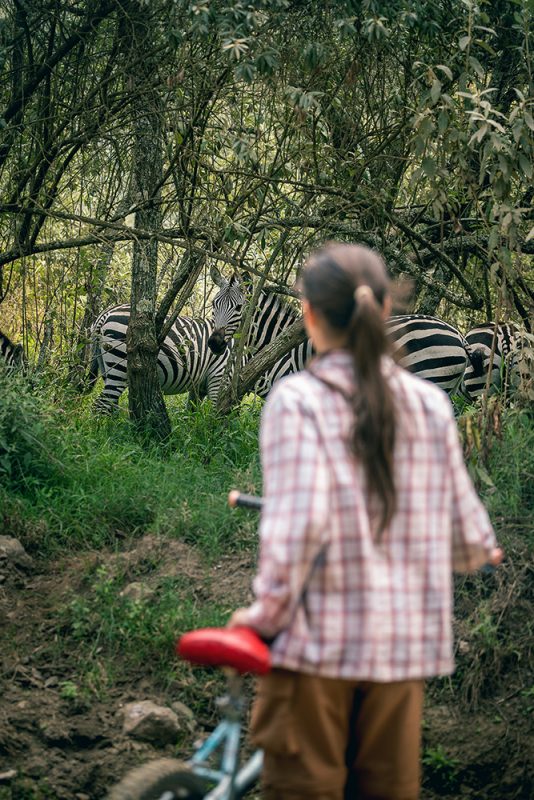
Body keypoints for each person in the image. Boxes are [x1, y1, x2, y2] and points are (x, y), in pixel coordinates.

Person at [228, 242, 502, 800]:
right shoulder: (431, 406)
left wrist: (263, 614)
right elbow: (470, 537)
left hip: (316, 656)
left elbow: (298, 529)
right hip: (402, 657)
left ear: (307, 314)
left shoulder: (296, 401)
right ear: (384, 312)